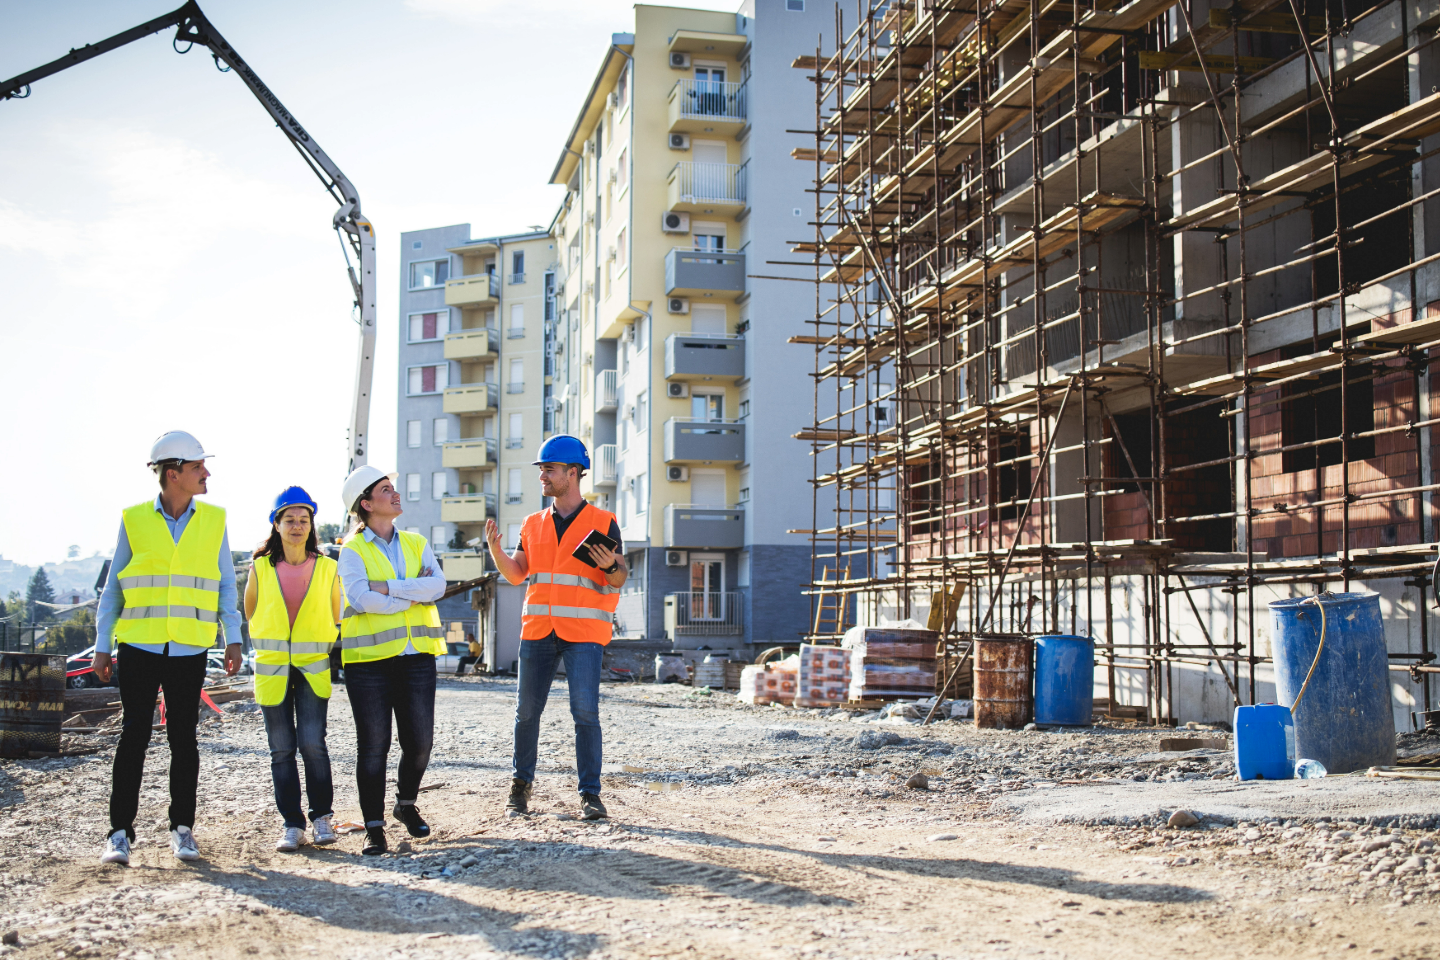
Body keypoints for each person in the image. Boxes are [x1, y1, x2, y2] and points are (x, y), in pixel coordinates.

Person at [94, 431, 243, 866]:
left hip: (191, 646)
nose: (207, 473)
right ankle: (119, 834)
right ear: (173, 473)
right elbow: (114, 587)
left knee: (184, 738)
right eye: (199, 467)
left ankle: (183, 830)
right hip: (138, 646)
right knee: (133, 737)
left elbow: (226, 584)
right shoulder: (134, 519)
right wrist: (103, 645)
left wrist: (232, 636)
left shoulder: (214, 519)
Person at [485, 435, 625, 821]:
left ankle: (591, 796)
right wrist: (496, 551)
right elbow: (517, 574)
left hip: (583, 635)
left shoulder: (603, 521)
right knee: (526, 712)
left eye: (549, 469)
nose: (543, 476)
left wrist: (611, 566)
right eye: (542, 470)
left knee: (585, 714)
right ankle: (520, 789)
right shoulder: (532, 524)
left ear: (573, 473)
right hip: (538, 631)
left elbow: (618, 577)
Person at [337, 465, 447, 855]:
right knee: (374, 746)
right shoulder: (351, 551)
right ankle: (374, 827)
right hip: (368, 663)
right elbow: (358, 598)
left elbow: (438, 586)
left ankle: (405, 804)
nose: (395, 494)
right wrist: (410, 595)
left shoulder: (416, 543)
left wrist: (389, 588)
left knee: (420, 743)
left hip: (416, 656)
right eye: (386, 489)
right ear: (366, 504)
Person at [244, 486, 341, 852]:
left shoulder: (328, 568)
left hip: (312, 670)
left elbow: (336, 615)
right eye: (290, 520)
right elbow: (251, 613)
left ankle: (321, 818)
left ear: (311, 524)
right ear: (277, 524)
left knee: (313, 744)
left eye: (304, 520)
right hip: (272, 672)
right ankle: (292, 824)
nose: (297, 526)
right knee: (281, 749)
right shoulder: (260, 568)